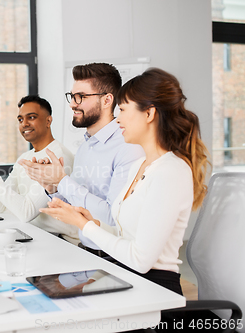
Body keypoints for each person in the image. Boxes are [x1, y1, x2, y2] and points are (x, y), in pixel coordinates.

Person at [40, 68, 210, 296]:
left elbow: (141, 260)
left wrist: (84, 226)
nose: (117, 118)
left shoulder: (171, 171)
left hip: (154, 291)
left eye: (122, 109)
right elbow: (124, 234)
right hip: (125, 278)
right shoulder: (139, 167)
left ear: (149, 114)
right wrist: (92, 222)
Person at [19, 63, 144, 254]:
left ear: (107, 100)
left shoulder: (128, 147)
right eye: (72, 96)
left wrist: (62, 181)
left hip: (115, 257)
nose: (72, 104)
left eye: (81, 97)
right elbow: (77, 204)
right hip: (86, 249)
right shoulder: (85, 147)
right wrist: (53, 187)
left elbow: (113, 218)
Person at [0, 95, 78, 241]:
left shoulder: (59, 156)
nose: (25, 124)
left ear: (48, 121)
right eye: (20, 119)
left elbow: (26, 212)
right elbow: (0, 207)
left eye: (32, 117)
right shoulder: (24, 158)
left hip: (62, 242)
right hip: (35, 235)